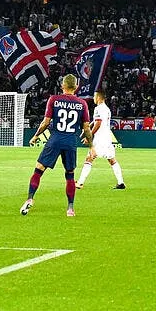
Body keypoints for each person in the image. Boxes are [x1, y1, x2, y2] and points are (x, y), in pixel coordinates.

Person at [22, 73, 93, 218]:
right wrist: (91, 145)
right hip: (70, 143)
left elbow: (46, 122)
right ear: (76, 87)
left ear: (62, 86)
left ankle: (30, 198)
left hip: (54, 140)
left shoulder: (54, 99)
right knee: (70, 175)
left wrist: (36, 136)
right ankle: (70, 208)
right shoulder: (82, 103)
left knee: (38, 170)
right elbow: (86, 128)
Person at [75, 89, 126, 190]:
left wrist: (89, 135)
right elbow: (94, 122)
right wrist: (85, 131)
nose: (93, 98)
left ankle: (80, 183)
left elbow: (98, 123)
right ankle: (121, 182)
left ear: (98, 97)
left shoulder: (98, 108)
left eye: (94, 96)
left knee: (89, 158)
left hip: (100, 139)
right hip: (107, 138)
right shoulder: (106, 109)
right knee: (112, 160)